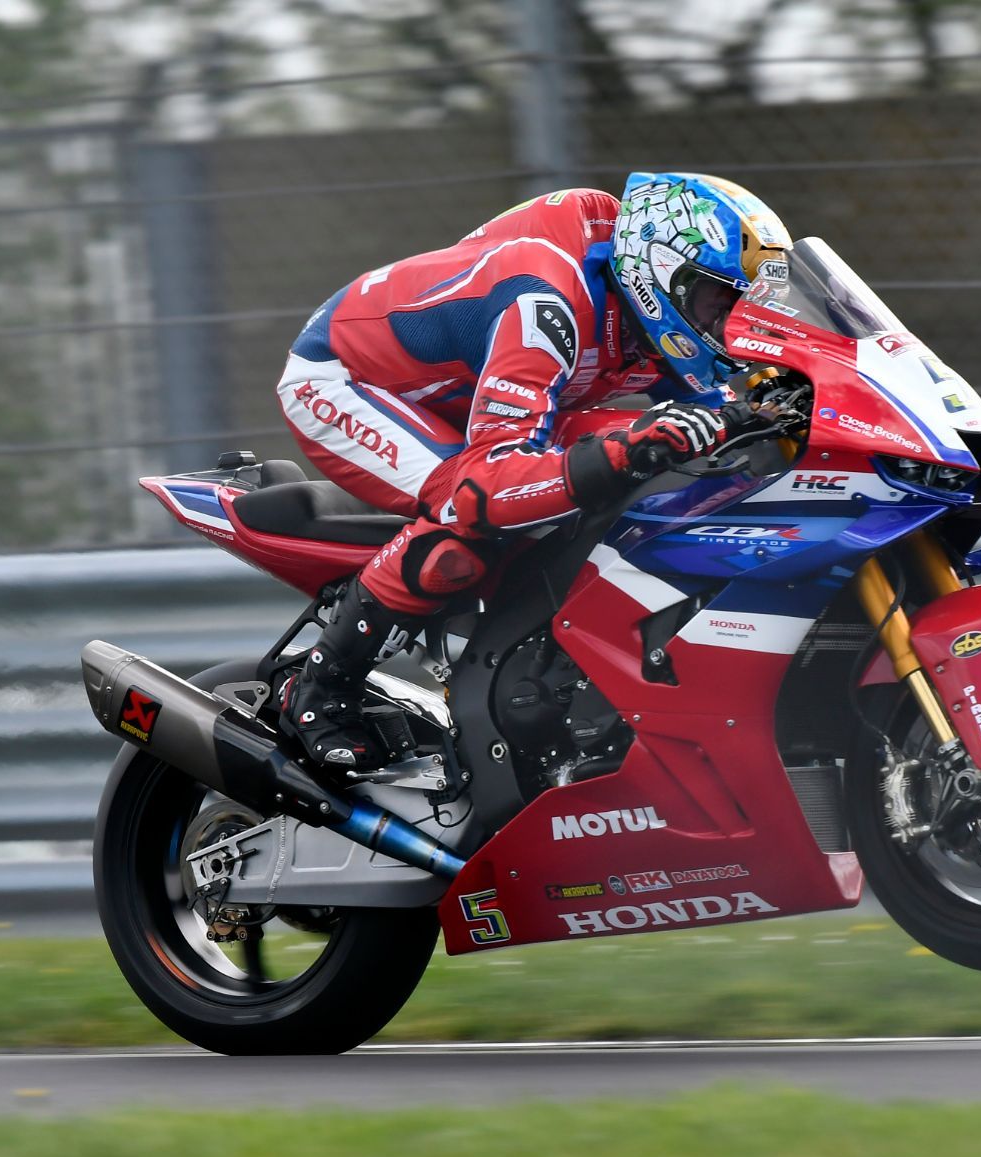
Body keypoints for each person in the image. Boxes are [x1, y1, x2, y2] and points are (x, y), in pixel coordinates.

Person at [273, 171, 793, 769]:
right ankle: (320, 687)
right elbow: (484, 487)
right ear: (658, 275)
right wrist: (627, 452)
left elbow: (732, 414)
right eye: (715, 303)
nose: (726, 326)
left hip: (474, 384)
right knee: (470, 514)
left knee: (675, 456)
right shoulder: (545, 300)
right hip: (350, 380)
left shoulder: (643, 300)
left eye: (742, 309)